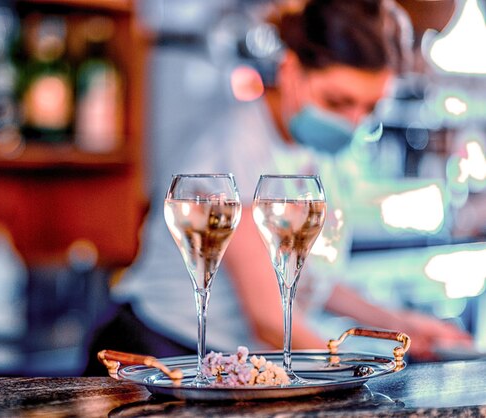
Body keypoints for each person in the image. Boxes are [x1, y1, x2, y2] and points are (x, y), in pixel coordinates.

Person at [83, 0, 474, 375]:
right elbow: (269, 321)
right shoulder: (236, 148)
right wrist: (357, 373)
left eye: (369, 107)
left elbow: (306, 275)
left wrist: (399, 326)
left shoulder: (315, 150)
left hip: (231, 361)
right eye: (339, 101)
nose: (354, 121)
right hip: (167, 356)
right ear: (290, 71)